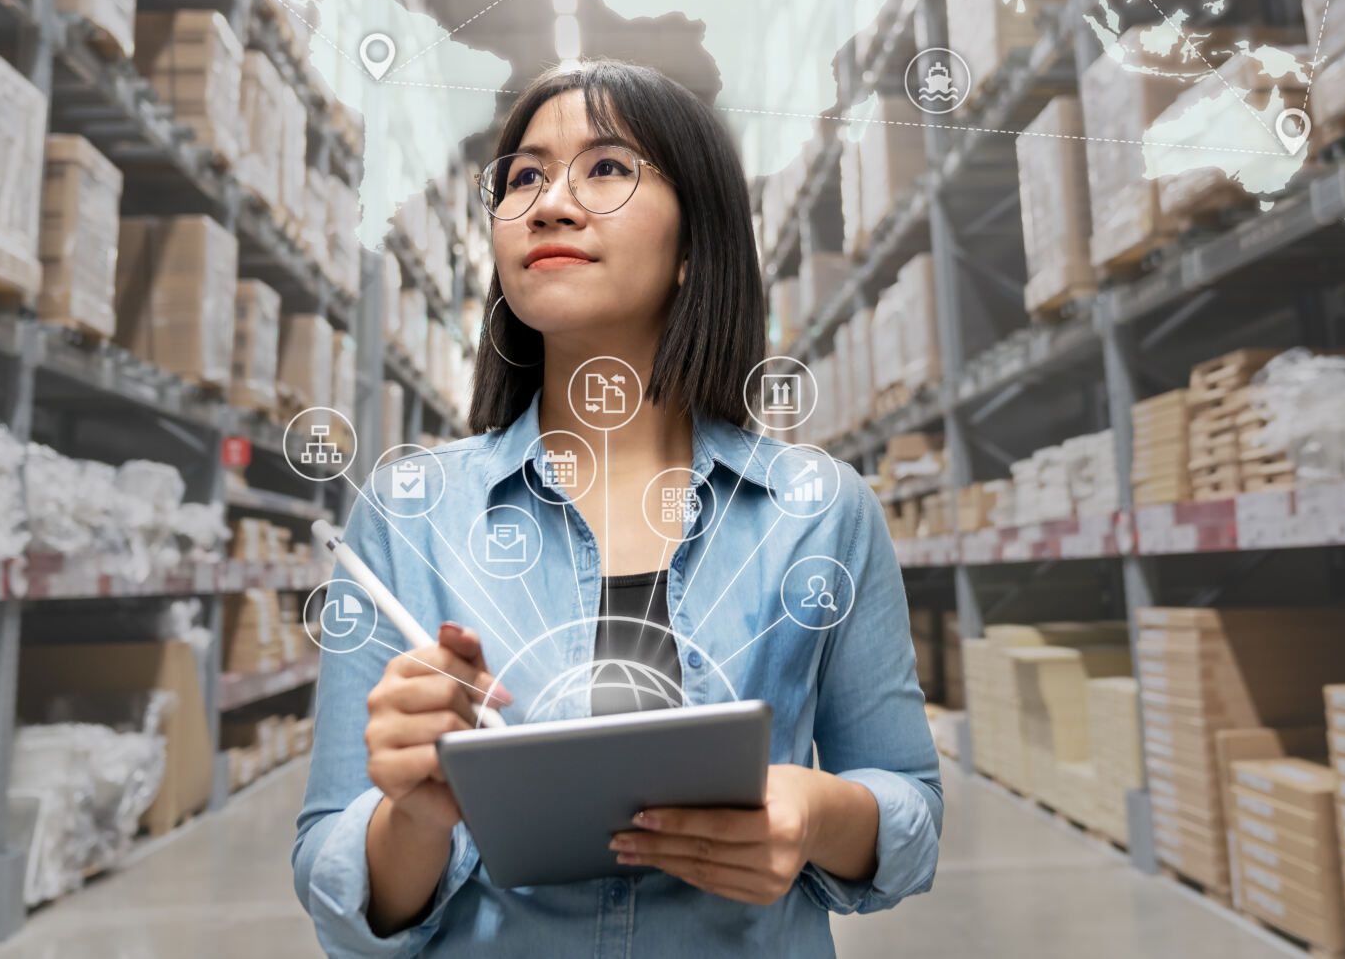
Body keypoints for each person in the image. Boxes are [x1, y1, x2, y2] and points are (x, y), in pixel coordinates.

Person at [293, 61, 942, 955]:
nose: (550, 204)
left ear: (693, 245)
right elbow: (335, 875)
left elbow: (909, 805)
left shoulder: (817, 511)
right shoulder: (407, 515)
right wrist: (415, 814)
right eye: (523, 177)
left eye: (606, 168)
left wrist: (817, 812)